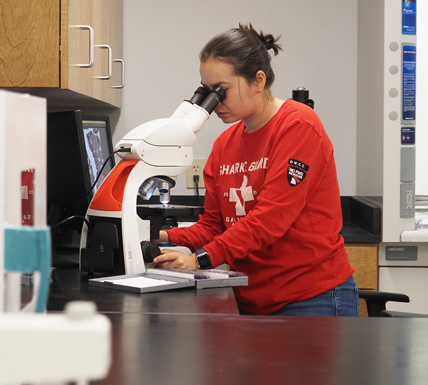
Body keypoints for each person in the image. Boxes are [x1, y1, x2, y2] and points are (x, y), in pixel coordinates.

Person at [152, 24, 358, 316]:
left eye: (221, 91)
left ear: (258, 81)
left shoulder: (299, 126)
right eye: (207, 91)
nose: (214, 103)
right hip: (251, 298)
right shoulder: (224, 145)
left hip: (311, 297)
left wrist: (201, 260)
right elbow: (214, 225)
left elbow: (269, 220)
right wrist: (157, 236)